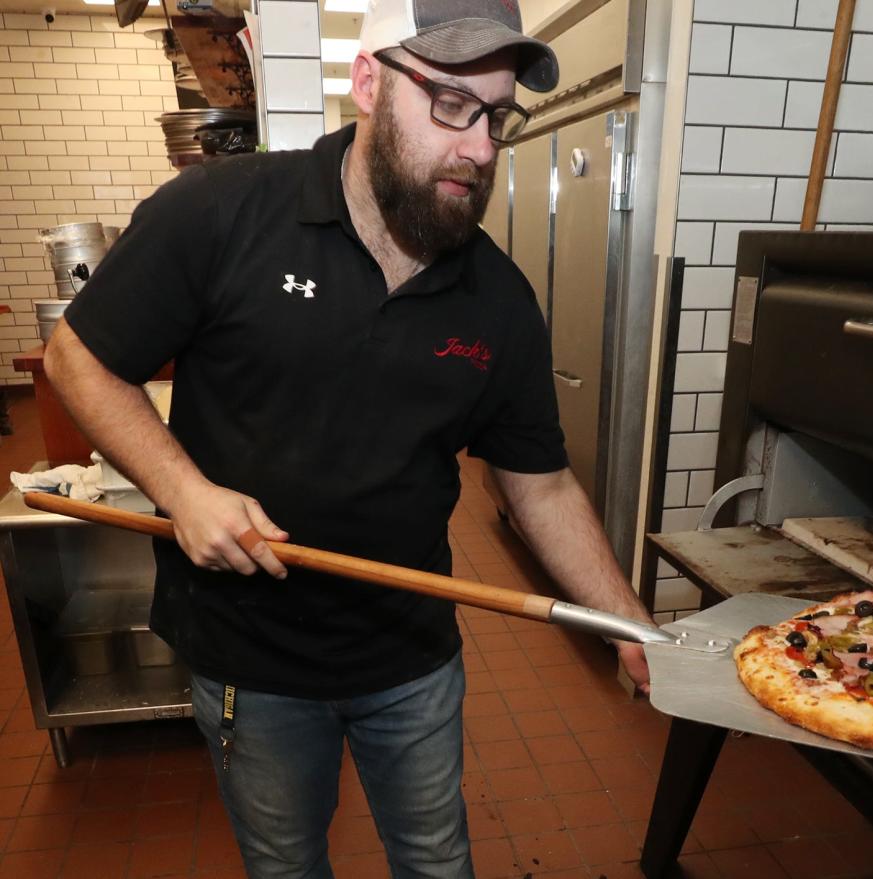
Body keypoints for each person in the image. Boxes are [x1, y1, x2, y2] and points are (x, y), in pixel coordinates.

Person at [41, 0, 654, 874]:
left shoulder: (499, 300)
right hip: (252, 662)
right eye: (450, 103)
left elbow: (542, 483)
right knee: (287, 863)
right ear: (369, 83)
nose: (480, 147)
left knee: (438, 860)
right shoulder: (221, 212)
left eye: (496, 115)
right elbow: (79, 360)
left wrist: (624, 622)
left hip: (412, 655)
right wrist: (184, 493)